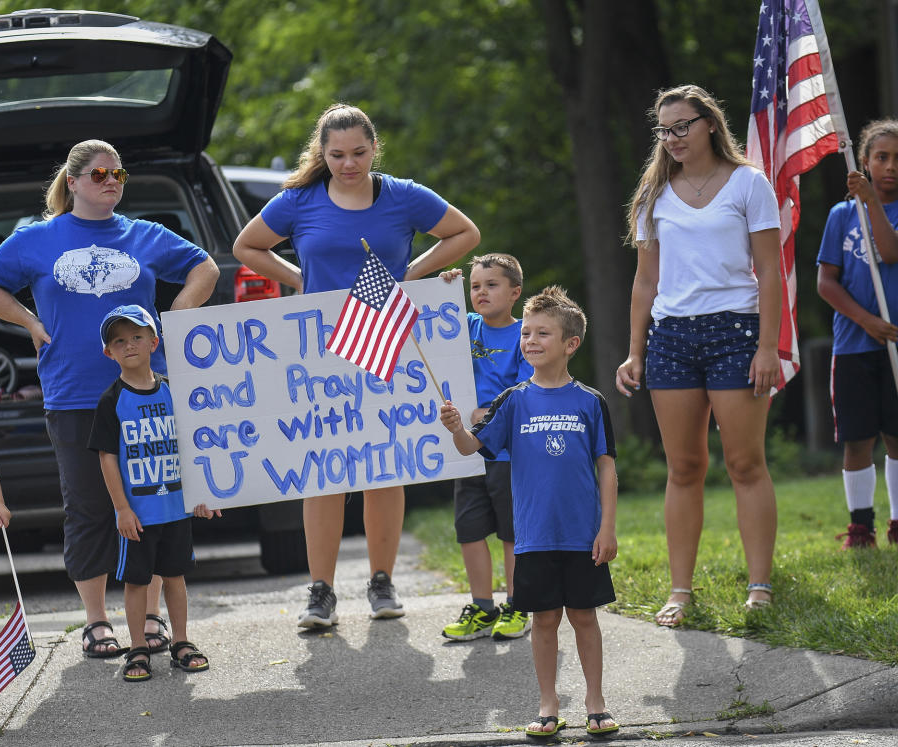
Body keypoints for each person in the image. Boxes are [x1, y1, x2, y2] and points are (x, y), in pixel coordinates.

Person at [232, 103, 480, 626]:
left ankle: (381, 582)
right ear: (321, 153)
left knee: (385, 463)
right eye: (337, 154)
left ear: (375, 148)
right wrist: (300, 281)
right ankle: (320, 591)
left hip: (388, 339)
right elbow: (247, 247)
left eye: (359, 153)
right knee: (323, 471)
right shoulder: (297, 200)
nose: (349, 164)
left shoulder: (402, 195)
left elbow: (464, 234)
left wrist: (412, 272)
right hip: (319, 349)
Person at [0, 139, 219, 657]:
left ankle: (152, 617)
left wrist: (177, 314)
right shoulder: (36, 239)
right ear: (72, 182)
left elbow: (204, 267)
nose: (111, 180)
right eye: (98, 174)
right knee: (89, 507)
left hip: (146, 392)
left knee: (155, 499)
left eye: (118, 172)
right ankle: (96, 622)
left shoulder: (143, 235)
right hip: (73, 393)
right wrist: (28, 320)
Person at [614, 84, 782, 627]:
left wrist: (767, 346)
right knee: (683, 468)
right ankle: (680, 591)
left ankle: (759, 586)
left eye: (683, 126)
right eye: (665, 130)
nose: (673, 138)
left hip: (737, 332)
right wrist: (635, 351)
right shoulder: (651, 196)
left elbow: (771, 271)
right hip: (672, 339)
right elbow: (645, 282)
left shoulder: (748, 184)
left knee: (744, 463)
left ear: (709, 123)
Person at [440, 285, 619, 737]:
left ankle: (595, 702)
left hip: (582, 534)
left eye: (543, 333)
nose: (531, 341)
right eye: (527, 334)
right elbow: (471, 447)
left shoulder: (590, 401)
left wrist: (607, 528)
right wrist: (457, 427)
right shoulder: (514, 400)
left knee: (584, 616)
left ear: (570, 344)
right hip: (533, 536)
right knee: (543, 620)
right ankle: (548, 703)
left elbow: (607, 467)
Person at [815, 118, 898, 548]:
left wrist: (872, 205)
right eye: (881, 157)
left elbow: (888, 251)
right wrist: (865, 320)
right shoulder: (840, 215)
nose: (890, 166)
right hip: (854, 343)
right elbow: (826, 283)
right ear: (864, 161)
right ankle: (860, 526)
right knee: (856, 437)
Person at [88, 305, 218, 681]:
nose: (129, 345)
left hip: (176, 509)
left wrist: (205, 492)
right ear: (108, 352)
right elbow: (107, 459)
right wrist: (121, 509)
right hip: (139, 515)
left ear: (153, 342)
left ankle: (181, 642)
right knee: (137, 582)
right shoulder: (112, 401)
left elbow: (194, 447)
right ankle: (139, 649)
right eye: (119, 341)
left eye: (136, 337)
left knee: (175, 578)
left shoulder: (173, 391)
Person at [440, 253, 533, 642]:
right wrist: (443, 289)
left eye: (491, 285)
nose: (481, 292)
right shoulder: (466, 326)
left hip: (508, 453)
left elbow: (529, 389)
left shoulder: (525, 334)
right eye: (475, 286)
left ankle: (517, 604)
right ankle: (482, 607)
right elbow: (433, 324)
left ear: (514, 292)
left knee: (511, 532)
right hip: (467, 451)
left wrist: (490, 412)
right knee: (470, 530)